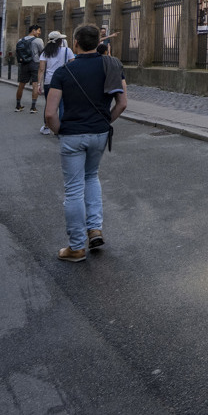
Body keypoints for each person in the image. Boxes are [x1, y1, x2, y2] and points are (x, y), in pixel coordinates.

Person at [43, 23, 126, 262]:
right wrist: (104, 122)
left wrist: (62, 132)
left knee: (73, 189)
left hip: (72, 134)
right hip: (99, 134)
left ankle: (77, 246)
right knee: (92, 177)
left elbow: (50, 114)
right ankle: (95, 230)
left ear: (76, 44)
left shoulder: (63, 72)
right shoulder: (111, 66)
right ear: (99, 43)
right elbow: (122, 103)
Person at [37, 31, 75, 135]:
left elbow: (41, 69)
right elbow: (73, 65)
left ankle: (46, 127)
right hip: (64, 80)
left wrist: (39, 84)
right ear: (60, 41)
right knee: (63, 104)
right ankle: (61, 128)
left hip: (49, 81)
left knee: (49, 105)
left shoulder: (45, 52)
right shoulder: (68, 50)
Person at [15, 24, 44, 113]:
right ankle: (33, 107)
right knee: (35, 84)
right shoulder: (38, 41)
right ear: (33, 31)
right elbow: (42, 52)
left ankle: (18, 105)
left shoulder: (21, 40)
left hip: (24, 63)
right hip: (34, 63)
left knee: (21, 84)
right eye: (38, 30)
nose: (39, 33)